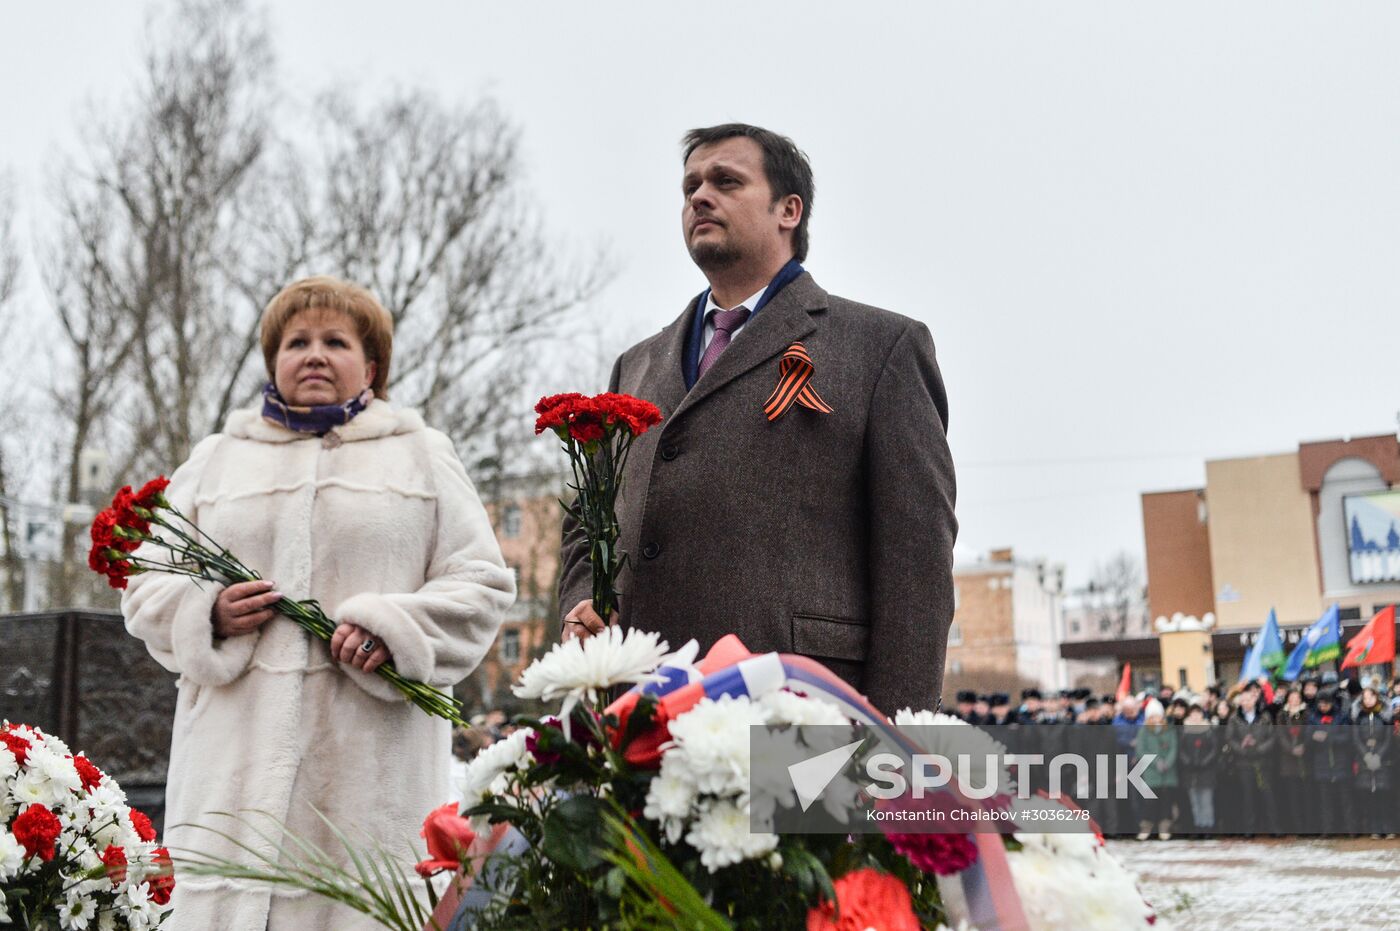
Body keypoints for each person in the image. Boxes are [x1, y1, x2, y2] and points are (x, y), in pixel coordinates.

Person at [122, 276, 515, 931]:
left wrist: (397, 630)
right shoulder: (217, 460)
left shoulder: (421, 454)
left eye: (336, 341)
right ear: (274, 359)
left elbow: (481, 585)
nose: (313, 354)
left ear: (372, 366)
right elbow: (144, 580)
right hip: (230, 784)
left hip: (369, 788)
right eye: (296, 341)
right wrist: (208, 612)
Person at [557, 123, 957, 715]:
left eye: (726, 181)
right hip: (639, 714)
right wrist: (583, 608)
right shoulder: (635, 366)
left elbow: (916, 565)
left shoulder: (881, 347)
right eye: (690, 185)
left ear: (788, 210)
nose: (698, 196)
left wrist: (891, 741)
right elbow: (586, 528)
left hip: (800, 714)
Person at [1133, 700, 1179, 840]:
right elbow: (1141, 750)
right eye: (1152, 716)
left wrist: (1167, 762)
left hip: (1168, 772)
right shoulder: (1144, 731)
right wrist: (1156, 762)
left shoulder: (1169, 730)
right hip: (1151, 772)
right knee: (1150, 802)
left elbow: (1173, 748)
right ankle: (1146, 828)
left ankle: (1164, 828)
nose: (1155, 719)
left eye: (1157, 716)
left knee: (1166, 801)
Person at [1176, 705, 1217, 835]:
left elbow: (1214, 748)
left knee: (1206, 801)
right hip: (1191, 772)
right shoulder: (1185, 731)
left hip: (1206, 771)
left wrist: (1205, 761)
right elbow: (1181, 749)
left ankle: (1208, 826)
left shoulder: (1208, 730)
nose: (1195, 716)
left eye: (1198, 713)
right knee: (1195, 801)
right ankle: (1198, 825)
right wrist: (1188, 761)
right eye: (1192, 714)